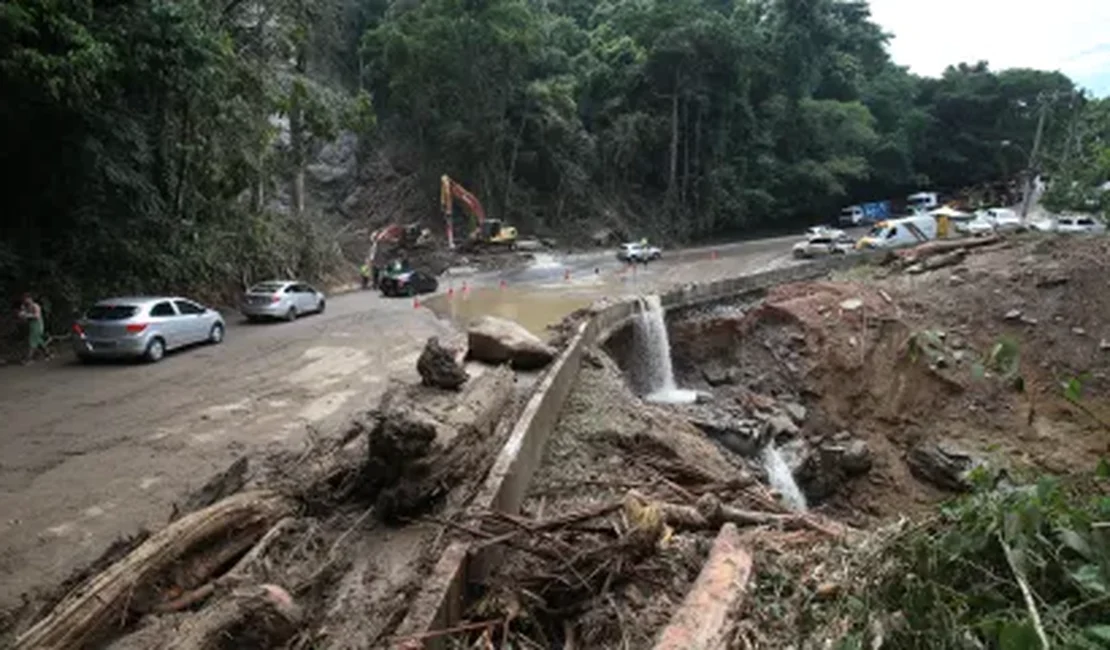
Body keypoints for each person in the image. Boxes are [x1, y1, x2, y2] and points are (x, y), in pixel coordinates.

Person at [17, 293, 50, 364]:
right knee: (38, 341)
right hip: (31, 326)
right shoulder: (26, 307)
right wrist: (22, 313)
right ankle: (47, 354)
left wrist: (26, 315)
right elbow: (22, 314)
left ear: (30, 299)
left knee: (32, 342)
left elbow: (37, 316)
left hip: (37, 325)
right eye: (24, 300)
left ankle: (29, 359)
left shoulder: (35, 306)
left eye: (26, 299)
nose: (25, 301)